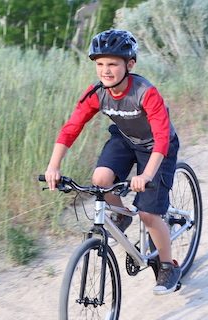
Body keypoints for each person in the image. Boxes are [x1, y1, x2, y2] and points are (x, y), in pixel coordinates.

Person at [43, 28, 182, 294]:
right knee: (100, 180)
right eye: (100, 64)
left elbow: (162, 138)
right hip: (126, 138)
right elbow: (71, 128)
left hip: (157, 147)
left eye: (113, 64)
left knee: (149, 214)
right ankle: (121, 216)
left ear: (129, 65)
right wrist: (54, 166)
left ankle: (167, 266)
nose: (106, 70)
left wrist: (147, 175)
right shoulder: (97, 92)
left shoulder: (145, 92)